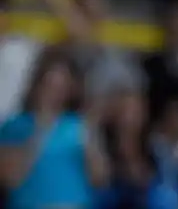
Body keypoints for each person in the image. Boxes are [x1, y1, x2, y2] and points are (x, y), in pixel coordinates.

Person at [0, 47, 109, 209]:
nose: (54, 94)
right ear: (37, 85)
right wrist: (40, 131)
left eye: (61, 88)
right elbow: (10, 178)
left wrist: (91, 134)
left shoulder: (79, 125)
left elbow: (100, 179)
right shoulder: (14, 125)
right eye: (49, 85)